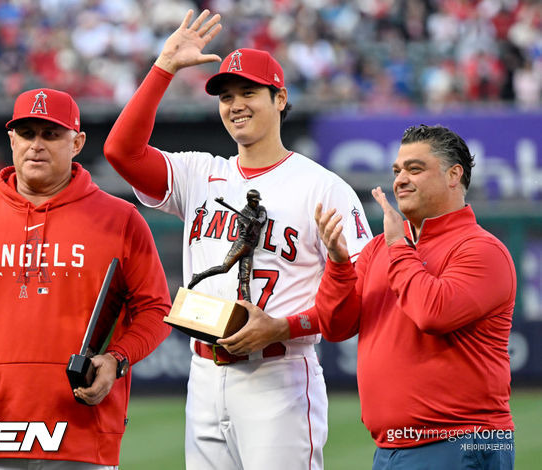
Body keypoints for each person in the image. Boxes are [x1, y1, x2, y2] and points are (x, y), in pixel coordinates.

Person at [103, 9, 372, 469]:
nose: (235, 105)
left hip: (280, 372)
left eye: (249, 92)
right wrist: (164, 65)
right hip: (204, 373)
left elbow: (365, 291)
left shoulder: (322, 187)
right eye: (226, 96)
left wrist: (286, 326)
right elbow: (120, 151)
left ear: (280, 98)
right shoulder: (201, 172)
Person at [0, 87, 172, 469]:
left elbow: (156, 308)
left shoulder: (121, 218)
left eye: (51, 134)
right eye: (27, 134)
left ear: (77, 142)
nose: (36, 145)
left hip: (83, 429)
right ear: (11, 140)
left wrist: (116, 359)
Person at [314, 124, 516, 469]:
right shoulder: (382, 247)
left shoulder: (482, 250)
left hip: (458, 441)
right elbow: (335, 326)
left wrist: (397, 245)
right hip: (392, 446)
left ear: (455, 175)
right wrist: (337, 265)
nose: (400, 179)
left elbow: (432, 312)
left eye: (415, 169)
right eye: (396, 170)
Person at [187, 189, 267, 302]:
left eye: (258, 201)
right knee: (224, 268)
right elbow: (249, 232)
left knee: (245, 278)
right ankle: (199, 276)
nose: (257, 203)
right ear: (249, 200)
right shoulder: (242, 214)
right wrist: (251, 224)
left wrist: (257, 220)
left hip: (250, 249)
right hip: (241, 245)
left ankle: (248, 305)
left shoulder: (260, 209)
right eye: (255, 201)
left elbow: (263, 218)